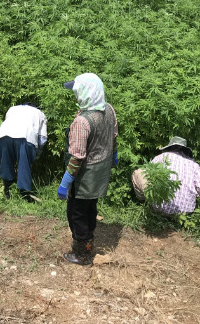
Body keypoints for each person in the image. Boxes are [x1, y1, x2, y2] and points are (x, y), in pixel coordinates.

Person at [57, 73, 118, 265]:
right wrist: (114, 156)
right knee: (90, 206)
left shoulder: (82, 122)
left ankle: (82, 253)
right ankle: (89, 240)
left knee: (76, 212)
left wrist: (65, 183)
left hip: (85, 174)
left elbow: (77, 157)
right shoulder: (108, 110)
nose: (75, 97)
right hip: (101, 168)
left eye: (77, 92)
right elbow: (113, 136)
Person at [132, 136, 200, 214]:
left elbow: (149, 174)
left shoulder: (162, 157)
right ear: (185, 151)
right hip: (186, 211)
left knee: (139, 172)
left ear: (170, 147)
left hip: (160, 207)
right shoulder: (194, 164)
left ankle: (143, 202)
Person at [0, 103, 47, 201]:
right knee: (24, 164)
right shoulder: (40, 114)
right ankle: (24, 194)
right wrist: (37, 153)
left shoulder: (12, 109)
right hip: (25, 136)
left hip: (4, 134)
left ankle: (7, 190)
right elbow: (42, 138)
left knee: (6, 162)